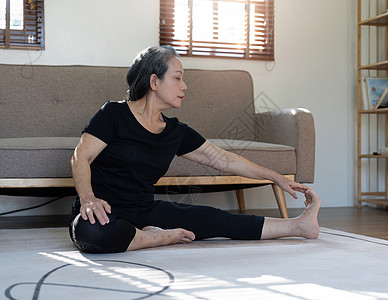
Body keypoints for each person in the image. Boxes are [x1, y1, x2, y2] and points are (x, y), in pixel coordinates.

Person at [69, 45, 321, 253]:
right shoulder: (114, 114)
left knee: (215, 219)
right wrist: (88, 199)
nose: (184, 86)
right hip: (102, 208)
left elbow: (224, 160)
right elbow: (81, 157)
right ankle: (157, 238)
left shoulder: (176, 132)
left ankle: (299, 226)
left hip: (145, 211)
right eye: (177, 78)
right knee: (91, 231)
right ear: (154, 81)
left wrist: (276, 177)